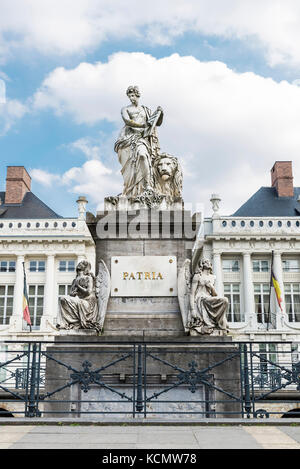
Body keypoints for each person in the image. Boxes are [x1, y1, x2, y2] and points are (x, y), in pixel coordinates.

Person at [114, 85, 163, 197]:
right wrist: (142, 125)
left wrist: (161, 113)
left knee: (142, 156)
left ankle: (148, 186)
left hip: (141, 139)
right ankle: (129, 190)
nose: (131, 98)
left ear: (137, 95)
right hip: (127, 139)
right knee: (129, 168)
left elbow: (157, 123)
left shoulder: (146, 110)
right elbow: (127, 121)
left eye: (133, 95)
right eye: (129, 96)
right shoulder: (125, 109)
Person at [57, 261, 100, 333]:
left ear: (86, 268)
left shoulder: (88, 278)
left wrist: (78, 286)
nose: (80, 265)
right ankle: (63, 324)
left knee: (80, 302)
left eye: (83, 264)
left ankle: (80, 322)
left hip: (88, 303)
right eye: (80, 264)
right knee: (62, 299)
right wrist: (73, 292)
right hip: (81, 301)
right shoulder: (75, 280)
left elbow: (88, 292)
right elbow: (71, 294)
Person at [189, 259, 229, 334]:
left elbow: (214, 295)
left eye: (208, 261)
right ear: (202, 264)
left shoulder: (212, 277)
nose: (208, 262)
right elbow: (192, 294)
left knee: (225, 300)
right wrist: (192, 310)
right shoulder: (197, 276)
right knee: (222, 300)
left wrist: (211, 287)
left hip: (209, 298)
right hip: (200, 299)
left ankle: (218, 322)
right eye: (205, 261)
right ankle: (212, 324)